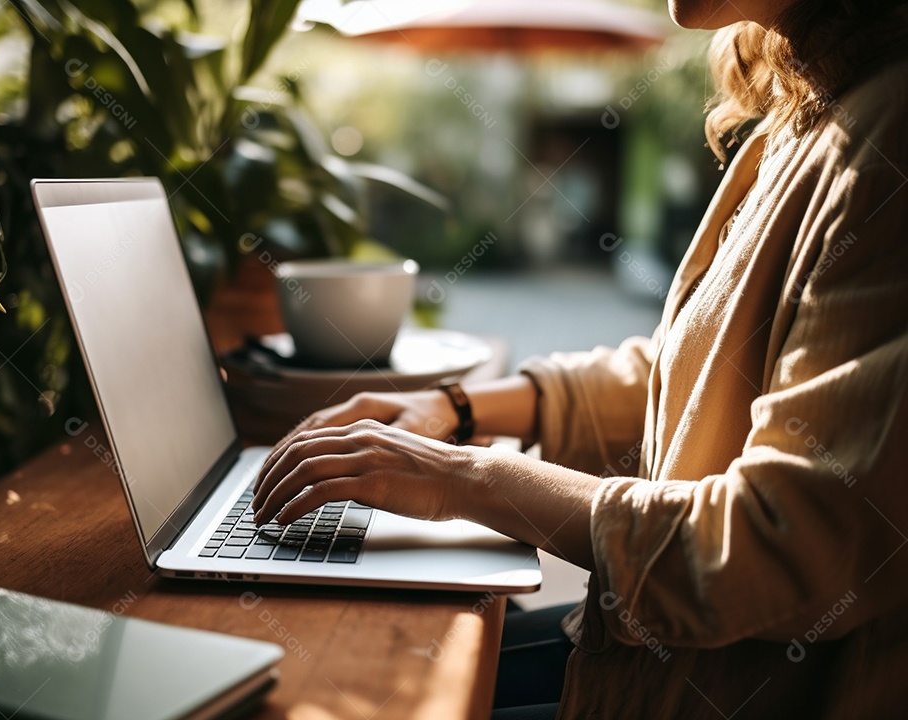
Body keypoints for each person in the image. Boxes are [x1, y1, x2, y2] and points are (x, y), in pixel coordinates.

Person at [252, 0, 908, 717]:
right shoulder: (810, 106)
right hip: (656, 665)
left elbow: (780, 545)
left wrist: (465, 478)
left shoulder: (887, 136)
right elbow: (705, 372)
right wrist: (457, 411)